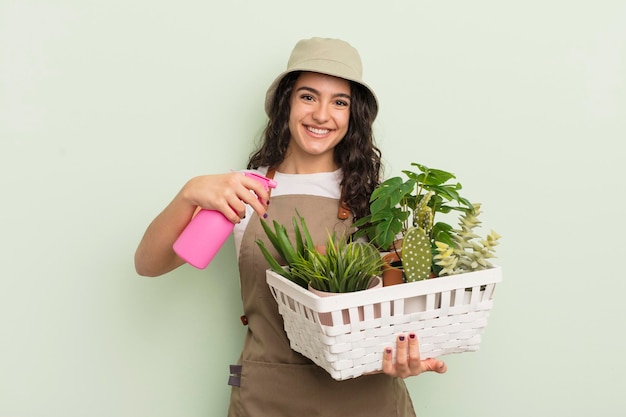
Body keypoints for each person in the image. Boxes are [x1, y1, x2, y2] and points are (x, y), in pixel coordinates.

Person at [135, 37, 447, 417]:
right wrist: (188, 195)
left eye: (340, 102)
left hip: (366, 401)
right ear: (287, 102)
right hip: (269, 400)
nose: (322, 115)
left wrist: (407, 355)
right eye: (308, 96)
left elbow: (402, 308)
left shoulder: (376, 200)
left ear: (354, 115)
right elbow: (149, 263)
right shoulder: (244, 191)